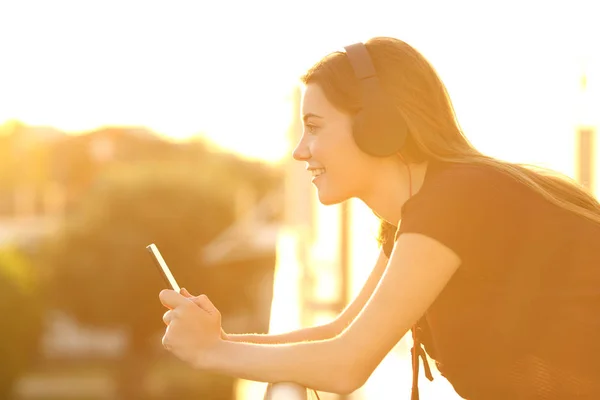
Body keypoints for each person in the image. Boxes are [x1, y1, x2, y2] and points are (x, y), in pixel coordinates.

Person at [158, 37, 600, 399]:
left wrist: (211, 354)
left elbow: (347, 365)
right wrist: (219, 341)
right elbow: (340, 331)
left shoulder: (456, 199)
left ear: (379, 126)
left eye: (314, 126)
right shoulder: (422, 214)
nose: (299, 151)